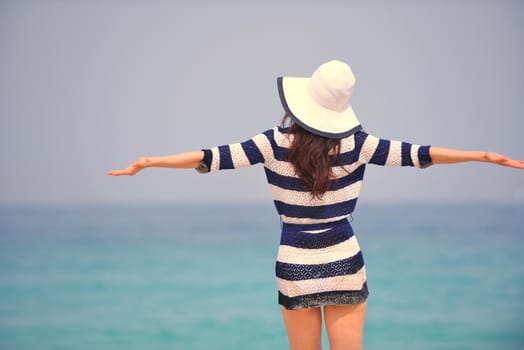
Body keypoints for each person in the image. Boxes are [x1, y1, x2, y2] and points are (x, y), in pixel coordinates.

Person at [108, 60, 524, 350]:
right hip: (344, 256)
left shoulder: (272, 143)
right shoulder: (360, 144)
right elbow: (423, 154)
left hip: (295, 262)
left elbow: (208, 157)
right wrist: (482, 155)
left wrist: (150, 162)